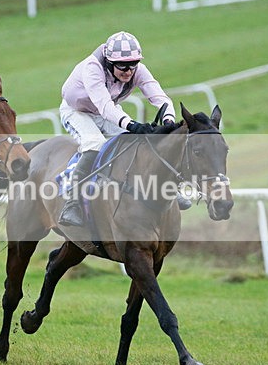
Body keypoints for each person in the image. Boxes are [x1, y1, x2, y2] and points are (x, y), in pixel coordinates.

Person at [58, 31, 178, 227]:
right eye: (122, 66)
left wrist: (169, 120)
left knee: (138, 142)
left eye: (133, 64)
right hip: (77, 112)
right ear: (109, 62)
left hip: (107, 111)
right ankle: (72, 204)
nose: (128, 71)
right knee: (95, 143)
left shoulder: (136, 69)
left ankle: (161, 189)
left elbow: (160, 96)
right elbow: (104, 106)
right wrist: (131, 125)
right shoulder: (92, 68)